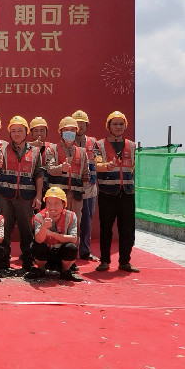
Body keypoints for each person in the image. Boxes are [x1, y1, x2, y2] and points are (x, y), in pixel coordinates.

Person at [0, 115, 43, 271]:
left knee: (27, 231)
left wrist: (39, 196)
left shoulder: (35, 152)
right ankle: (3, 262)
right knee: (4, 230)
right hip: (5, 197)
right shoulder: (2, 148)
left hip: (26, 198)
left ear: (26, 132)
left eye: (20, 130)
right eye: (13, 131)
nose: (16, 134)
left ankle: (28, 262)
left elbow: (39, 174)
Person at [94, 111, 139, 273]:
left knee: (127, 229)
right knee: (106, 229)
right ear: (108, 126)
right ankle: (104, 261)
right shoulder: (99, 145)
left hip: (127, 193)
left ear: (125, 126)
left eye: (121, 124)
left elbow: (134, 168)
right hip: (107, 193)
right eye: (115, 124)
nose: (118, 127)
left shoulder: (132, 146)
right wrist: (107, 166)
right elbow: (96, 165)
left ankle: (125, 262)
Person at [27, 186, 85, 282]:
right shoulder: (39, 217)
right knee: (37, 246)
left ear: (63, 204)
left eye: (56, 203)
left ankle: (65, 271)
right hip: (46, 255)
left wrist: (52, 234)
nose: (52, 207)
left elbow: (73, 239)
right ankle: (41, 270)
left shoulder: (71, 216)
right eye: (49, 203)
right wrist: (44, 227)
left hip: (61, 255)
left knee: (71, 248)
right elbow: (38, 240)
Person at [44, 116, 89, 230]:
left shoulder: (82, 152)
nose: (70, 132)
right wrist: (62, 168)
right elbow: (50, 169)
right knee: (55, 225)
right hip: (57, 197)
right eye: (66, 130)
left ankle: (74, 242)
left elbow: (85, 175)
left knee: (75, 226)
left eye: (72, 130)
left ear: (76, 132)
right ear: (61, 132)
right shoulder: (52, 149)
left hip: (76, 197)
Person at [72, 109, 100, 261]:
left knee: (87, 220)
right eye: (76, 123)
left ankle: (85, 251)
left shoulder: (93, 142)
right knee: (72, 219)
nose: (79, 126)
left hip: (90, 187)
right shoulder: (68, 142)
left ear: (87, 125)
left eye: (82, 123)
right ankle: (69, 250)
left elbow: (100, 161)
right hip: (73, 187)